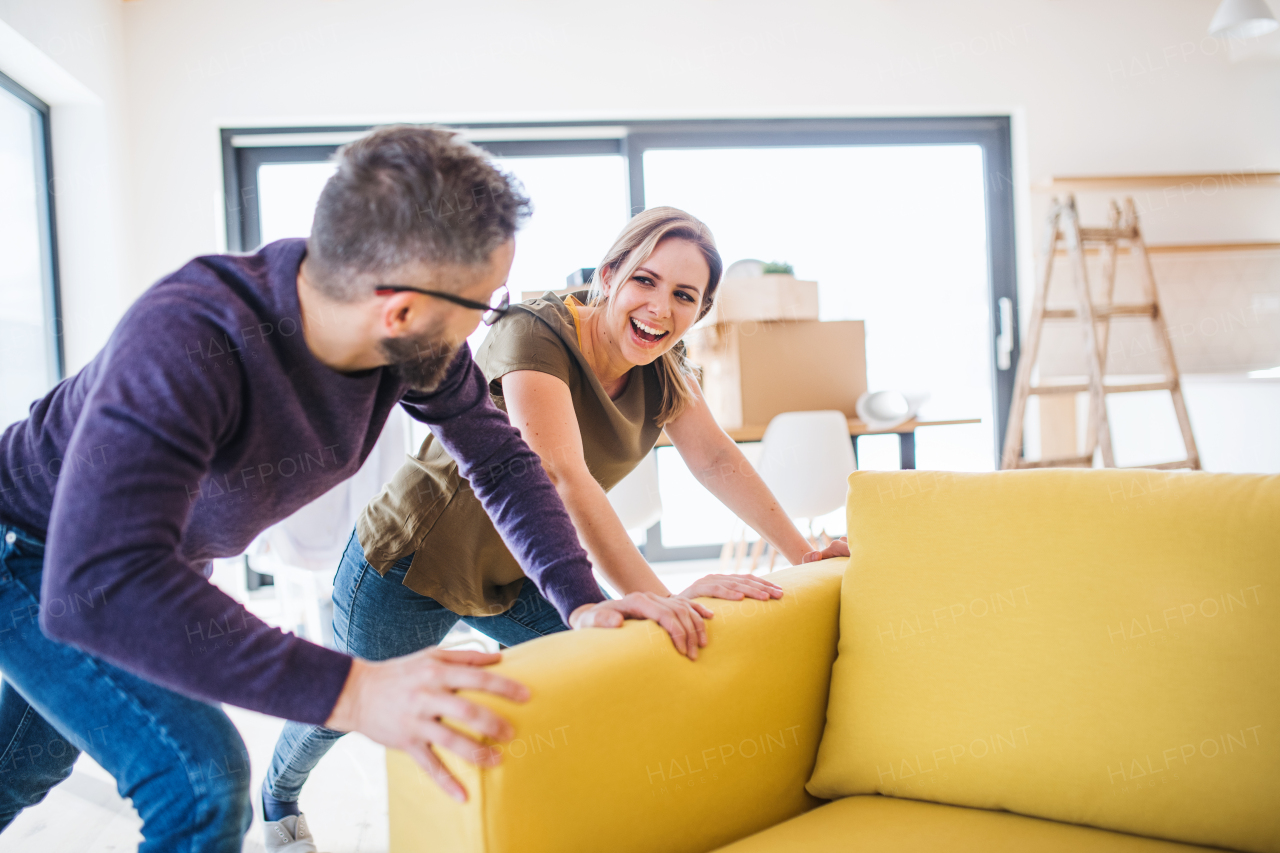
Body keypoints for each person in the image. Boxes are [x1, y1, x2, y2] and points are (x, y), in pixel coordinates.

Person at [0, 125, 682, 853]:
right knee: (199, 779)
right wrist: (358, 691)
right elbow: (108, 573)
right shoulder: (187, 341)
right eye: (486, 303)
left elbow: (503, 461)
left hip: (128, 562)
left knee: (23, 767)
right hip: (37, 552)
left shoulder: (412, 344)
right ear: (398, 308)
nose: (491, 320)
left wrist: (579, 599)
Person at [262, 206, 851, 850]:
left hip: (523, 571)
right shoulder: (535, 330)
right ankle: (277, 799)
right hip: (410, 559)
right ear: (609, 276)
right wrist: (653, 597)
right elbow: (564, 477)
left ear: (700, 311)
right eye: (645, 281)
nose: (660, 307)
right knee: (347, 708)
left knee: (594, 688)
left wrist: (805, 552)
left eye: (684, 295)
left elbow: (715, 458)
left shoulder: (669, 369)